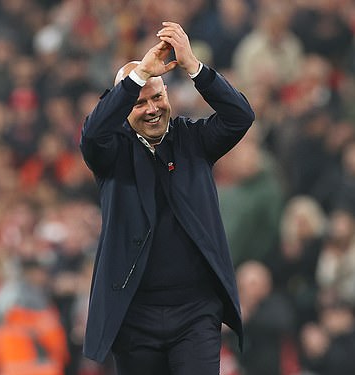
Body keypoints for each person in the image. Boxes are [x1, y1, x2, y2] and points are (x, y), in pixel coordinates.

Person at [80, 21, 254, 375]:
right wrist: (140, 74)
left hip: (195, 312)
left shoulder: (194, 140)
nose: (151, 108)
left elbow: (240, 117)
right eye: (139, 102)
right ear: (124, 108)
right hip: (134, 314)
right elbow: (92, 135)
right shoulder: (112, 153)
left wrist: (195, 67)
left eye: (157, 96)